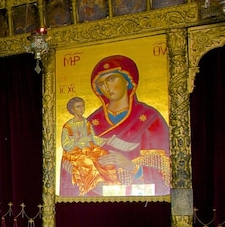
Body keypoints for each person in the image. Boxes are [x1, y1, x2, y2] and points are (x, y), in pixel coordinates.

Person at [61, 55, 170, 196]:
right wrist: (73, 171)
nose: (107, 87)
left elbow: (165, 174)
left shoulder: (149, 118)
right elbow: (72, 159)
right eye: (101, 84)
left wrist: (131, 167)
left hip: (141, 205)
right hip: (96, 204)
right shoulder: (90, 122)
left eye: (111, 79)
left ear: (127, 80)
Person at [59, 96, 116, 196]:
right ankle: (96, 184)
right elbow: (66, 145)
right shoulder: (68, 126)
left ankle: (109, 183)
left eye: (82, 106)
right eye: (78, 107)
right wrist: (76, 139)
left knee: (105, 155)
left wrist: (106, 140)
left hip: (90, 149)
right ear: (72, 109)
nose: (81, 109)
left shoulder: (87, 123)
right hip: (74, 153)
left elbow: (94, 139)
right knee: (88, 162)